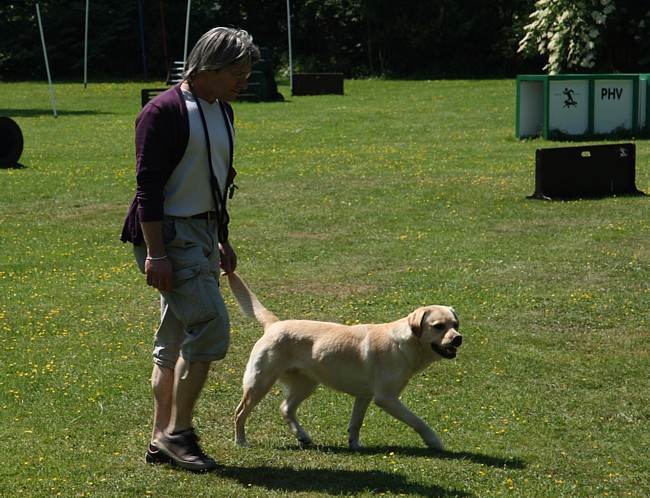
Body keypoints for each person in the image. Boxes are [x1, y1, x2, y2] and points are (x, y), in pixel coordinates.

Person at [120, 27, 260, 472]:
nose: (244, 82)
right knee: (213, 325)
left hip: (201, 234)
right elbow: (149, 187)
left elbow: (217, 179)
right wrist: (156, 253)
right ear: (207, 68)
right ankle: (178, 435)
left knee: (174, 339)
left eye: (247, 73)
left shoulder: (223, 110)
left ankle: (161, 437)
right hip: (169, 237)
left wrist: (221, 236)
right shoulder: (162, 112)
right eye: (237, 73)